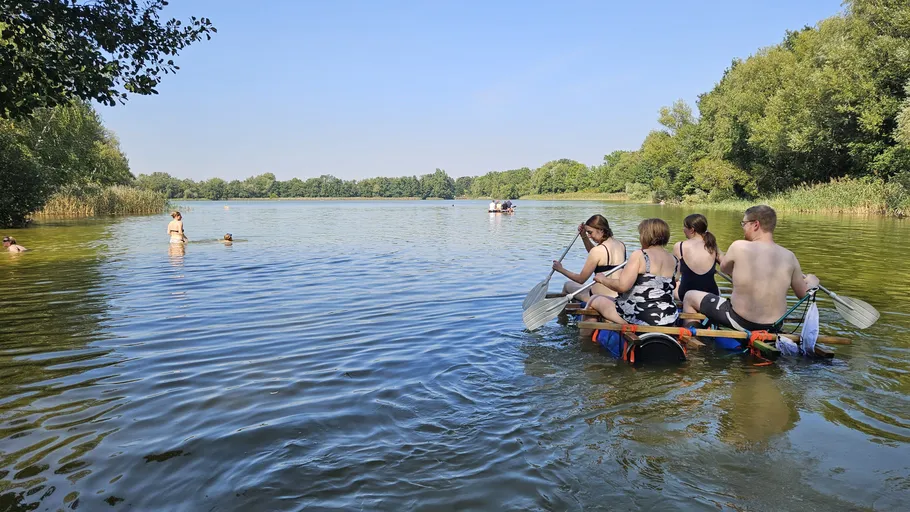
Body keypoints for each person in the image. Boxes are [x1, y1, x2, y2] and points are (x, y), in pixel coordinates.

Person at [682, 205, 819, 332]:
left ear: (755, 225)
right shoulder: (790, 256)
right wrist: (812, 282)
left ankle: (693, 343)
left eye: (744, 223)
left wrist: (717, 250)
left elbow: (724, 268)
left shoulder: (739, 246)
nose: (743, 227)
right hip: (774, 325)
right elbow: (803, 294)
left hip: (741, 321)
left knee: (689, 296)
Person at [588, 218, 679, 326]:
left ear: (646, 236)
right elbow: (672, 282)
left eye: (641, 234)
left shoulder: (640, 255)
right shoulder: (675, 260)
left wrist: (602, 279)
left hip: (640, 317)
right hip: (669, 318)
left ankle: (584, 340)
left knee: (594, 299)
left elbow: (622, 286)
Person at [552, 214, 626, 303]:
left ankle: (563, 317)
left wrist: (560, 269)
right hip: (618, 296)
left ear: (601, 230)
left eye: (590, 232)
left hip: (598, 298)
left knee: (567, 285)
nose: (589, 236)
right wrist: (584, 236)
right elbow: (596, 255)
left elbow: (580, 279)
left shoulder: (597, 251)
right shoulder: (621, 245)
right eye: (587, 233)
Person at [674, 213, 723, 301]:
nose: (683, 229)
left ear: (692, 230)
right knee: (717, 290)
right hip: (711, 295)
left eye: (684, 227)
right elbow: (725, 264)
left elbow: (676, 276)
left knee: (676, 284)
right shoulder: (712, 246)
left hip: (686, 296)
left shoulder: (679, 246)